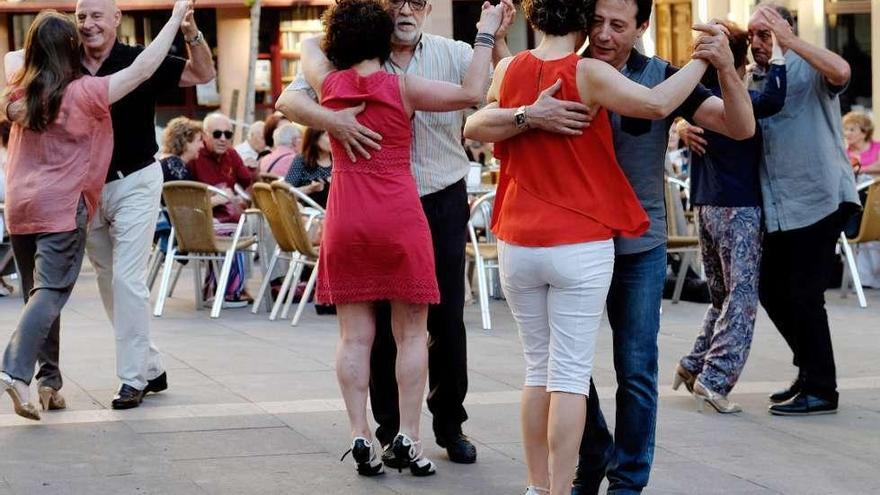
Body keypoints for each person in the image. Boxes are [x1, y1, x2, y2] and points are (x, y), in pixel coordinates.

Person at [465, 0, 755, 491]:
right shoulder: (572, 70)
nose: (604, 33)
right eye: (597, 21)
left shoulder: (661, 74)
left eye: (618, 25)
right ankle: (588, 454)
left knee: (633, 369)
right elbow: (476, 123)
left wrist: (723, 66)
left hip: (634, 244)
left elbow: (740, 126)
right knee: (568, 370)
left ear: (642, 27)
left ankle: (624, 481)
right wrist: (529, 116)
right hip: (578, 241)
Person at [277, 0, 515, 467]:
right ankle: (401, 433)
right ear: (381, 22)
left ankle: (382, 431)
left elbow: (307, 48)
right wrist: (487, 31)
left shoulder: (333, 78)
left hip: (375, 207)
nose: (406, 9)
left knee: (375, 333)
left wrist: (336, 100)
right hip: (400, 211)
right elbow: (473, 92)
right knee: (408, 333)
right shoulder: (399, 86)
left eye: (416, 2)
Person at [0, 2, 190, 420]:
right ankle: (15, 370)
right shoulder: (84, 92)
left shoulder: (18, 91)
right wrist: (175, 18)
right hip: (60, 209)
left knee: (37, 294)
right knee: (50, 295)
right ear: (69, 49)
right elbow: (143, 69)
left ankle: (50, 383)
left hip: (19, 207)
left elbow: (14, 58)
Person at [683, 4, 859, 417]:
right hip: (776, 206)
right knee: (770, 290)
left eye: (768, 34)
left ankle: (822, 387)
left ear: (786, 31)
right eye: (755, 35)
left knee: (802, 294)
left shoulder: (806, 65)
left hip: (818, 198)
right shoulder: (748, 79)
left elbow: (843, 72)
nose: (760, 43)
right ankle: (809, 371)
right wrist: (683, 126)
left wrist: (790, 41)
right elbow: (716, 113)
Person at [75, 0, 216, 410]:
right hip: (87, 189)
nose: (88, 24)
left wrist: (190, 31)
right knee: (107, 282)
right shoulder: (67, 61)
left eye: (97, 15)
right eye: (81, 16)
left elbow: (203, 73)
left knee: (127, 280)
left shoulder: (140, 59)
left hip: (135, 181)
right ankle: (152, 366)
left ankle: (131, 379)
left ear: (116, 19)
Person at [672, 22, 786, 414]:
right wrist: (780, 54)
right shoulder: (738, 99)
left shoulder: (696, 101)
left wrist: (681, 127)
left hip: (705, 208)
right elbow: (775, 98)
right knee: (741, 299)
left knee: (720, 297)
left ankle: (692, 365)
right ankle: (715, 377)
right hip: (739, 209)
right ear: (739, 58)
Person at [187, 112, 254, 306]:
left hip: (229, 216)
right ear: (205, 135)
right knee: (241, 230)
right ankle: (232, 287)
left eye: (228, 134)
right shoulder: (195, 156)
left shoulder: (231, 154)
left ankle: (237, 284)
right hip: (202, 218)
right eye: (217, 134)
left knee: (256, 225)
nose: (223, 139)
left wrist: (253, 170)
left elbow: (246, 181)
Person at [284, 127, 333, 208]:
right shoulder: (302, 160)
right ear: (314, 137)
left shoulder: (338, 161)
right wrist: (310, 189)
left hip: (336, 211)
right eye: (327, 135)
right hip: (310, 215)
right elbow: (285, 194)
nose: (332, 140)